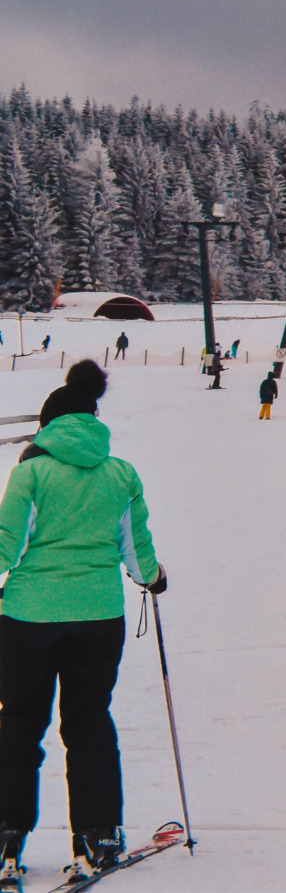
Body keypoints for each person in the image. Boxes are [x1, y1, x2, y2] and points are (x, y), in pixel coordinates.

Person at [0, 361, 165, 879]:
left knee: (18, 723)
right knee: (89, 720)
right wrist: (154, 579)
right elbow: (135, 552)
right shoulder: (120, 473)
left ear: (48, 426)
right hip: (97, 618)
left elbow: (7, 545)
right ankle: (96, 834)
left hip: (27, 618)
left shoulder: (30, 472)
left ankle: (6, 834)